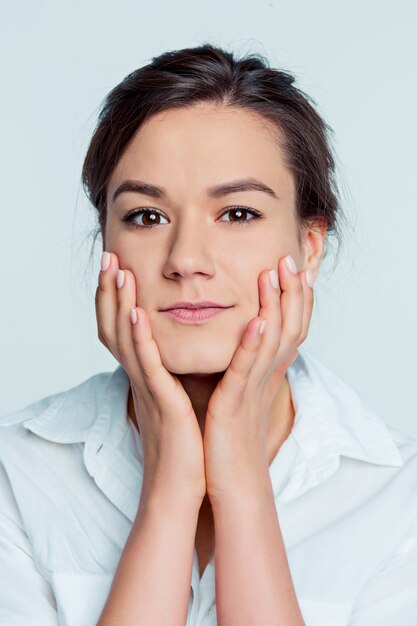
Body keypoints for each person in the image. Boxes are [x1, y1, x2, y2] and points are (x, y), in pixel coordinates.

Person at [1, 43, 416, 626]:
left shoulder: (401, 502)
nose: (186, 260)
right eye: (147, 216)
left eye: (238, 213)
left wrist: (241, 481)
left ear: (310, 245)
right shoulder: (16, 476)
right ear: (107, 245)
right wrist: (168, 491)